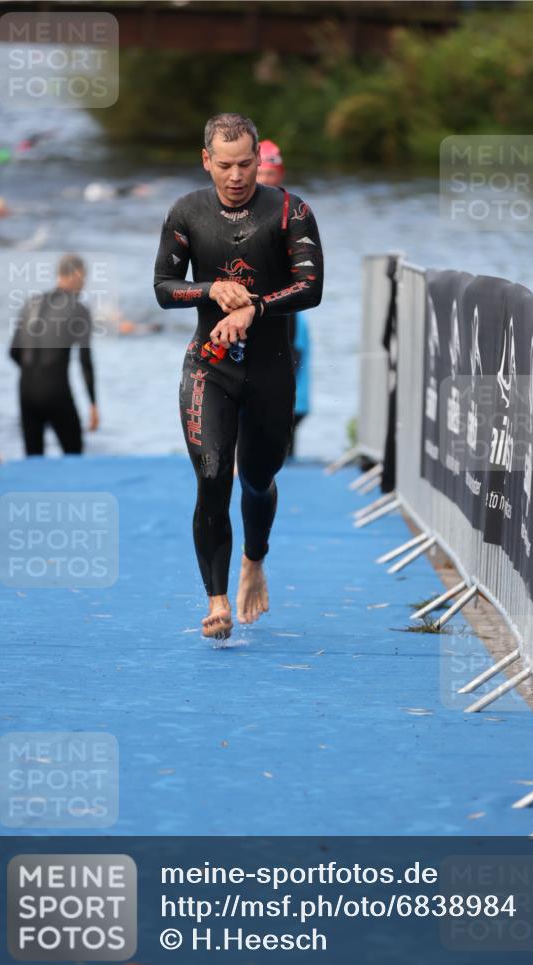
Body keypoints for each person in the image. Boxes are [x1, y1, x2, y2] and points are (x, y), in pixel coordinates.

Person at [154, 112, 323, 640]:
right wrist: (207, 290)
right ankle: (217, 599)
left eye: (245, 164)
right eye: (224, 165)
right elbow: (163, 287)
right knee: (211, 478)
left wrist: (255, 307)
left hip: (270, 371)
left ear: (258, 161)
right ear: (207, 161)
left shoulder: (290, 211)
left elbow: (311, 288)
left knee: (257, 477)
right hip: (210, 368)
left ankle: (255, 558)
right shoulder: (186, 212)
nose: (235, 176)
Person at [9, 254, 99, 455]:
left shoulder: (31, 303)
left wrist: (35, 374)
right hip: (56, 391)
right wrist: (93, 404)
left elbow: (13, 352)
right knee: (73, 455)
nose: (84, 284)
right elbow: (85, 361)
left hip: (26, 390)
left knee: (33, 458)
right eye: (84, 278)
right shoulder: (79, 309)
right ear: (76, 275)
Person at [256, 139, 312, 456]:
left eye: (271, 174)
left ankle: (282, 449)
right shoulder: (237, 208)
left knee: (286, 371)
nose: (266, 181)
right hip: (249, 307)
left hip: (284, 307)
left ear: (281, 174)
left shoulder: (294, 211)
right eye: (262, 174)